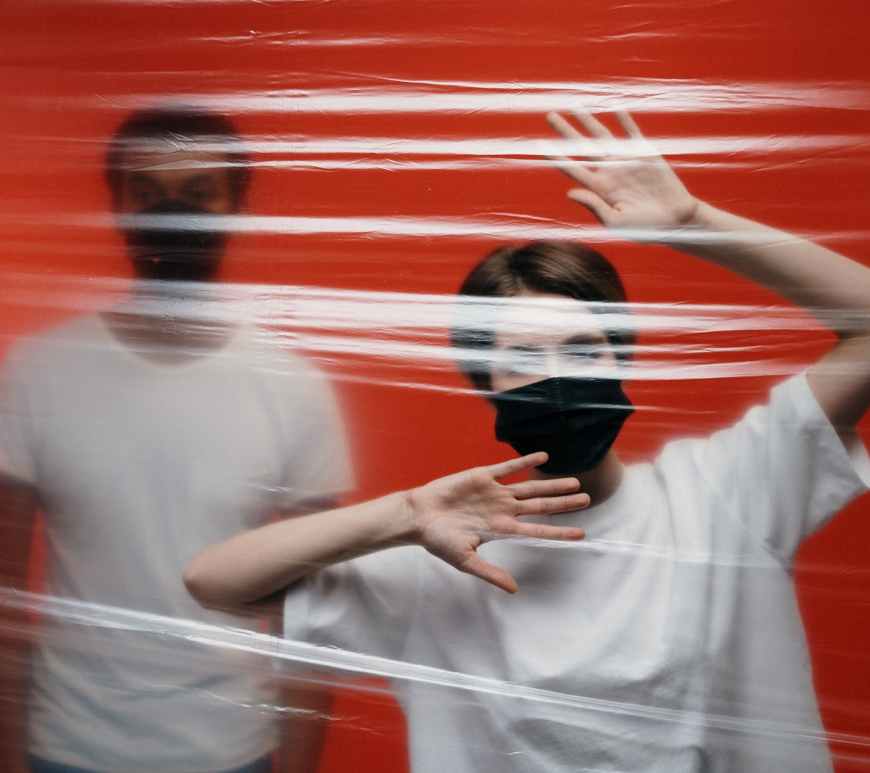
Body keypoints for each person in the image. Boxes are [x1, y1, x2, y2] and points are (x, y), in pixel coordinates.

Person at [184, 110, 870, 772]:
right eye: (523, 358)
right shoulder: (445, 551)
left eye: (583, 349)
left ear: (624, 358)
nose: (557, 377)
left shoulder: (724, 495)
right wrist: (405, 514)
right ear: (485, 385)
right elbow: (214, 582)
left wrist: (695, 224)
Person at [0, 105, 588, 773]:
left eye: (198, 192)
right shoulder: (39, 372)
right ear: (117, 203)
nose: (172, 211)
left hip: (231, 751)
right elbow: (4, 587)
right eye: (149, 190)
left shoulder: (292, 388)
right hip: (65, 746)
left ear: (236, 206)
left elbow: (314, 615)